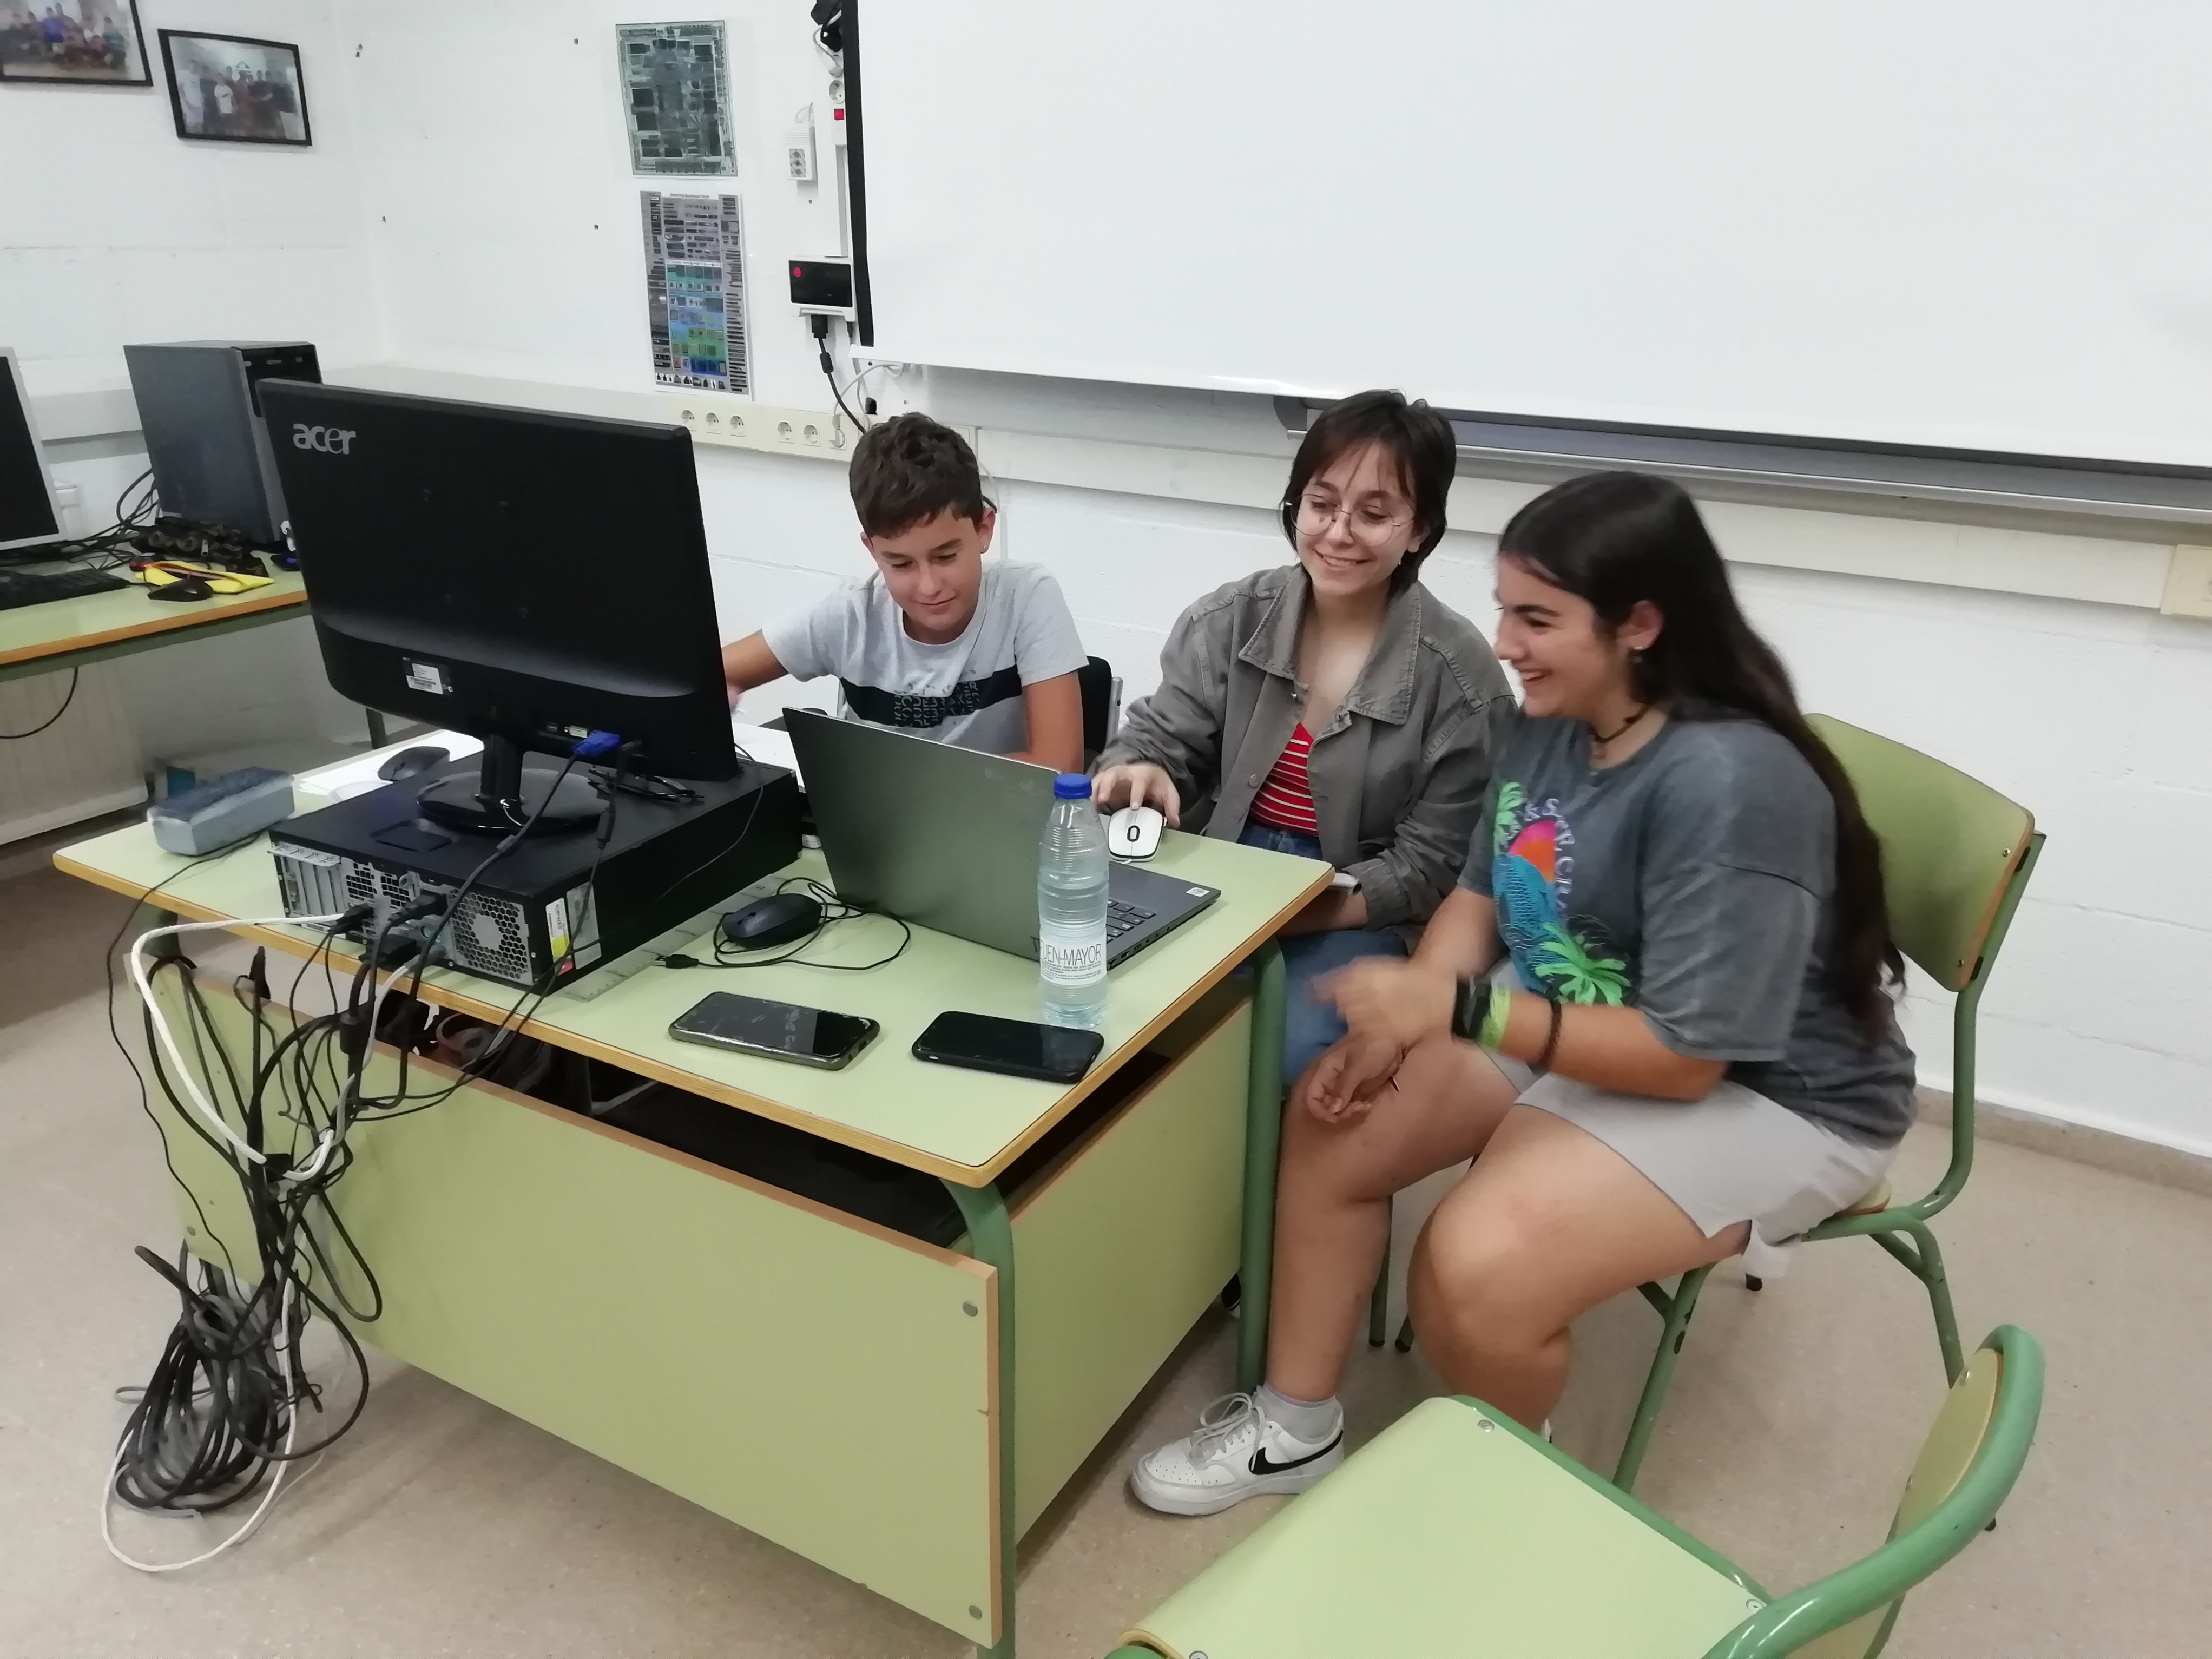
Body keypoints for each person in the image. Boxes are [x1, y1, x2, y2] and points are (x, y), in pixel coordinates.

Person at [1130, 470, 1916, 1516]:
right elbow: (1480, 890)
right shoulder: (1551, 719)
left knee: (1470, 1271)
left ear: (1638, 623)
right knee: (1333, 1120)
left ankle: (1520, 1499)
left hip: (1768, 1089)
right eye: (1504, 608)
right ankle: (1294, 1426)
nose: (1504, 642)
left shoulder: (1731, 782)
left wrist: (1454, 1014)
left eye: (1536, 618)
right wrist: (1413, 1002)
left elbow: (1685, 1056)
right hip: (1579, 1015)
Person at [1092, 389, 1515, 1083]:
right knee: (1101, 1004)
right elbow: (1158, 738)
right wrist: (1141, 768)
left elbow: (1430, 866)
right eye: (1321, 506)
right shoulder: (1231, 617)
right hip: (1222, 870)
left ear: (1418, 531)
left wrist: (1283, 915)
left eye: (1374, 514)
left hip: (1352, 902)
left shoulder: (1460, 678)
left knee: (1280, 1054)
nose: (1339, 532)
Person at [720, 412, 1088, 773]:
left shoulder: (1026, 597)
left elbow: (1058, 766)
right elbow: (707, 677)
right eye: (900, 564)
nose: (929, 586)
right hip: (879, 823)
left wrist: (903, 778)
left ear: (983, 530)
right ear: (872, 550)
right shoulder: (850, 614)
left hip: (1000, 823)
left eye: (946, 556)